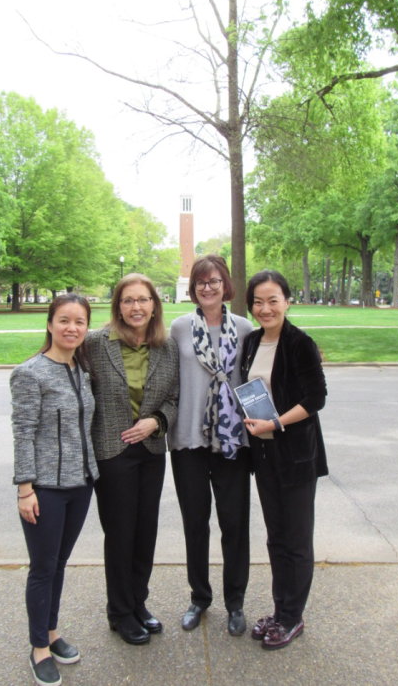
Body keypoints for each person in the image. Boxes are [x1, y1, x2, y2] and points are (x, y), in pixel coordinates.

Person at [10, 293, 99, 686]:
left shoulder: (82, 370)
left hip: (81, 485)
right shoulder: (29, 373)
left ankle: (51, 632)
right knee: (43, 568)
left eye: (79, 322)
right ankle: (38, 649)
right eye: (64, 320)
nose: (72, 328)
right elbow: (23, 433)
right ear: (50, 324)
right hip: (45, 488)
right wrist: (25, 489)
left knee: (59, 564)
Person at [87, 274, 179, 646]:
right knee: (120, 533)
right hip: (112, 453)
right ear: (118, 306)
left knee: (145, 532)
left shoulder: (167, 346)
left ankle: (138, 602)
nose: (136, 307)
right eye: (128, 300)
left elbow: (174, 397)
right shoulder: (95, 343)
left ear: (154, 305)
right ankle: (120, 611)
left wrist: (157, 422)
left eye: (143, 299)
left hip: (151, 452)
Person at [241, 270, 328, 651]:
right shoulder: (252, 341)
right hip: (263, 453)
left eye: (273, 300)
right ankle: (280, 611)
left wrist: (274, 423)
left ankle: (292, 617)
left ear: (287, 302)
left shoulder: (300, 343)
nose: (265, 308)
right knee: (276, 536)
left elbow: (315, 398)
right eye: (258, 301)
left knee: (296, 539)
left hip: (295, 456)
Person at [168, 255, 253, 636]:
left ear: (225, 285)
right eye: (201, 282)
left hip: (232, 441)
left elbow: (254, 379)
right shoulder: (179, 328)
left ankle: (235, 602)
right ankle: (199, 597)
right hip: (188, 439)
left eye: (214, 281)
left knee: (234, 524)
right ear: (194, 288)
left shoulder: (245, 328)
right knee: (195, 524)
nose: (208, 287)